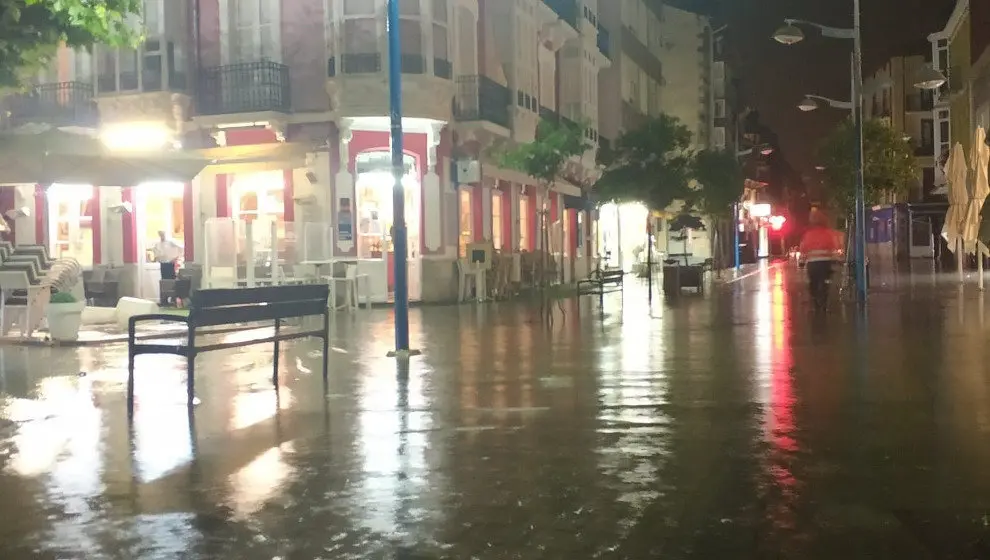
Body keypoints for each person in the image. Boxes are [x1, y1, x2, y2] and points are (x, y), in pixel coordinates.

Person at [798, 209, 841, 311]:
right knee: (826, 281)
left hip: (812, 264)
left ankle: (815, 300)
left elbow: (803, 249)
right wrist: (837, 260)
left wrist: (801, 262)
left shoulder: (808, 235)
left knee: (813, 282)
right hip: (825, 263)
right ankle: (824, 300)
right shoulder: (828, 233)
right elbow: (834, 247)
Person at [152, 231, 182, 304]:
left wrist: (175, 258)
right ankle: (164, 299)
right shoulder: (158, 244)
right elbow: (156, 254)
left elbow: (180, 248)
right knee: (164, 281)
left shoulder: (171, 242)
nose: (162, 236)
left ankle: (173, 298)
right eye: (161, 235)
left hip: (170, 264)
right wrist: (158, 259)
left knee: (172, 281)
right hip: (163, 265)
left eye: (163, 234)